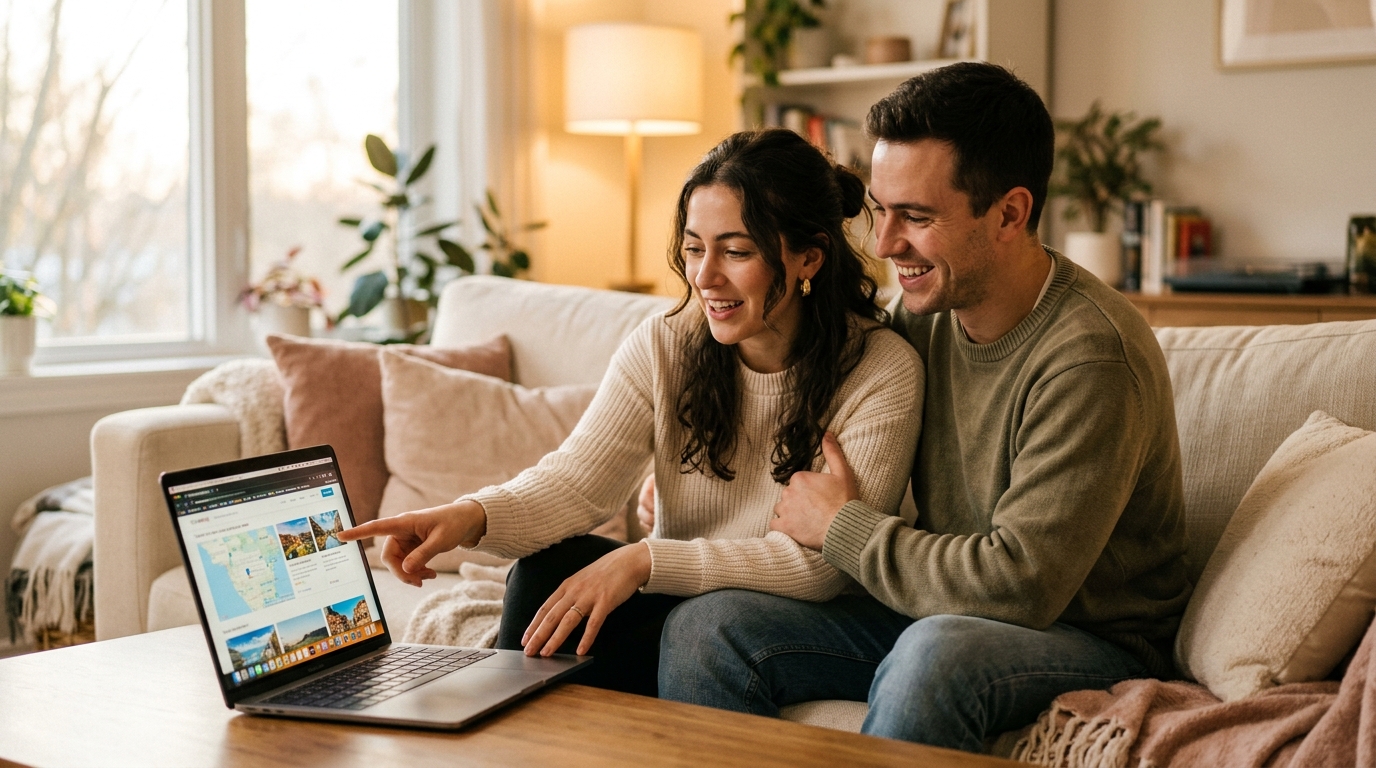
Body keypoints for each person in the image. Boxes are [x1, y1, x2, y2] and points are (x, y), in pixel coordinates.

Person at [654, 62, 1192, 753]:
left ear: (1009, 214)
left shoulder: (1090, 357)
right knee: (710, 627)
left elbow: (1020, 587)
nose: (884, 244)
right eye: (881, 210)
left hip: (1086, 635)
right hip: (935, 603)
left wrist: (846, 529)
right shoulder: (920, 318)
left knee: (935, 654)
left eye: (917, 216)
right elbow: (811, 449)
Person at [339, 128, 923, 698]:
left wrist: (644, 559)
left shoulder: (879, 370)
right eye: (695, 248)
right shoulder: (665, 345)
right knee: (546, 572)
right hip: (687, 598)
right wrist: (468, 516)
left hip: (797, 619)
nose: (705, 276)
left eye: (737, 251)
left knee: (705, 623)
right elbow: (575, 483)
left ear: (809, 258)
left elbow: (823, 566)